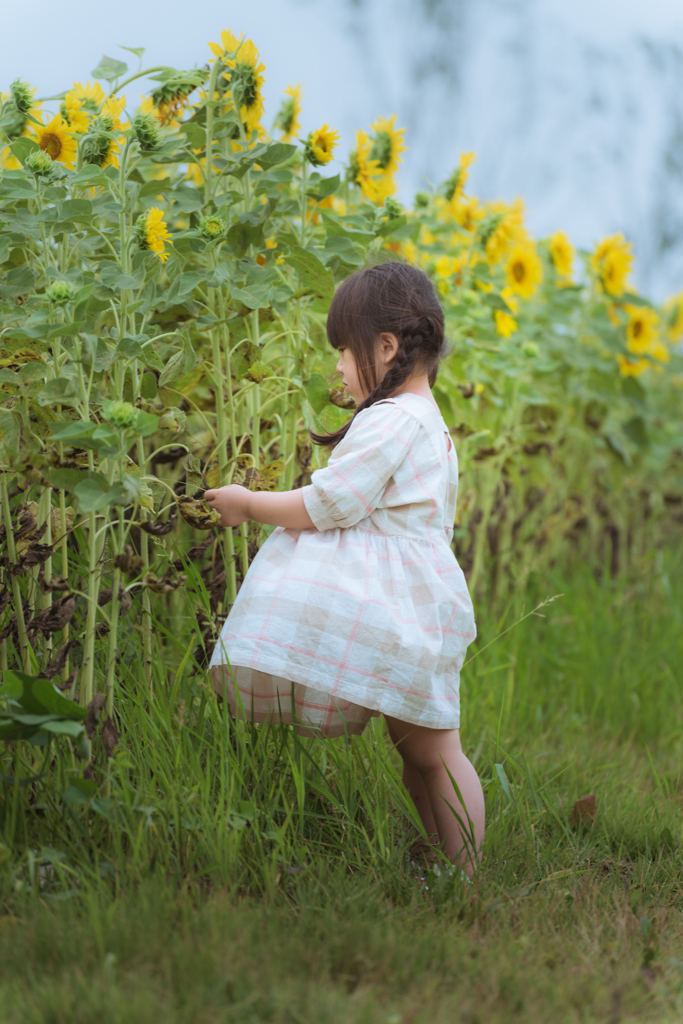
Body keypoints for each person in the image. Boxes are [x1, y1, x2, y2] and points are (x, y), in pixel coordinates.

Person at [205, 261, 485, 876]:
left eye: (343, 350)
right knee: (419, 753)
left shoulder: (392, 420)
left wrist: (249, 505)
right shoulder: (426, 423)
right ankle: (442, 861)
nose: (337, 366)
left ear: (386, 348)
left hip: (406, 609)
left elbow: (331, 504)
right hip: (418, 604)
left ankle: (463, 877)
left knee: (436, 752)